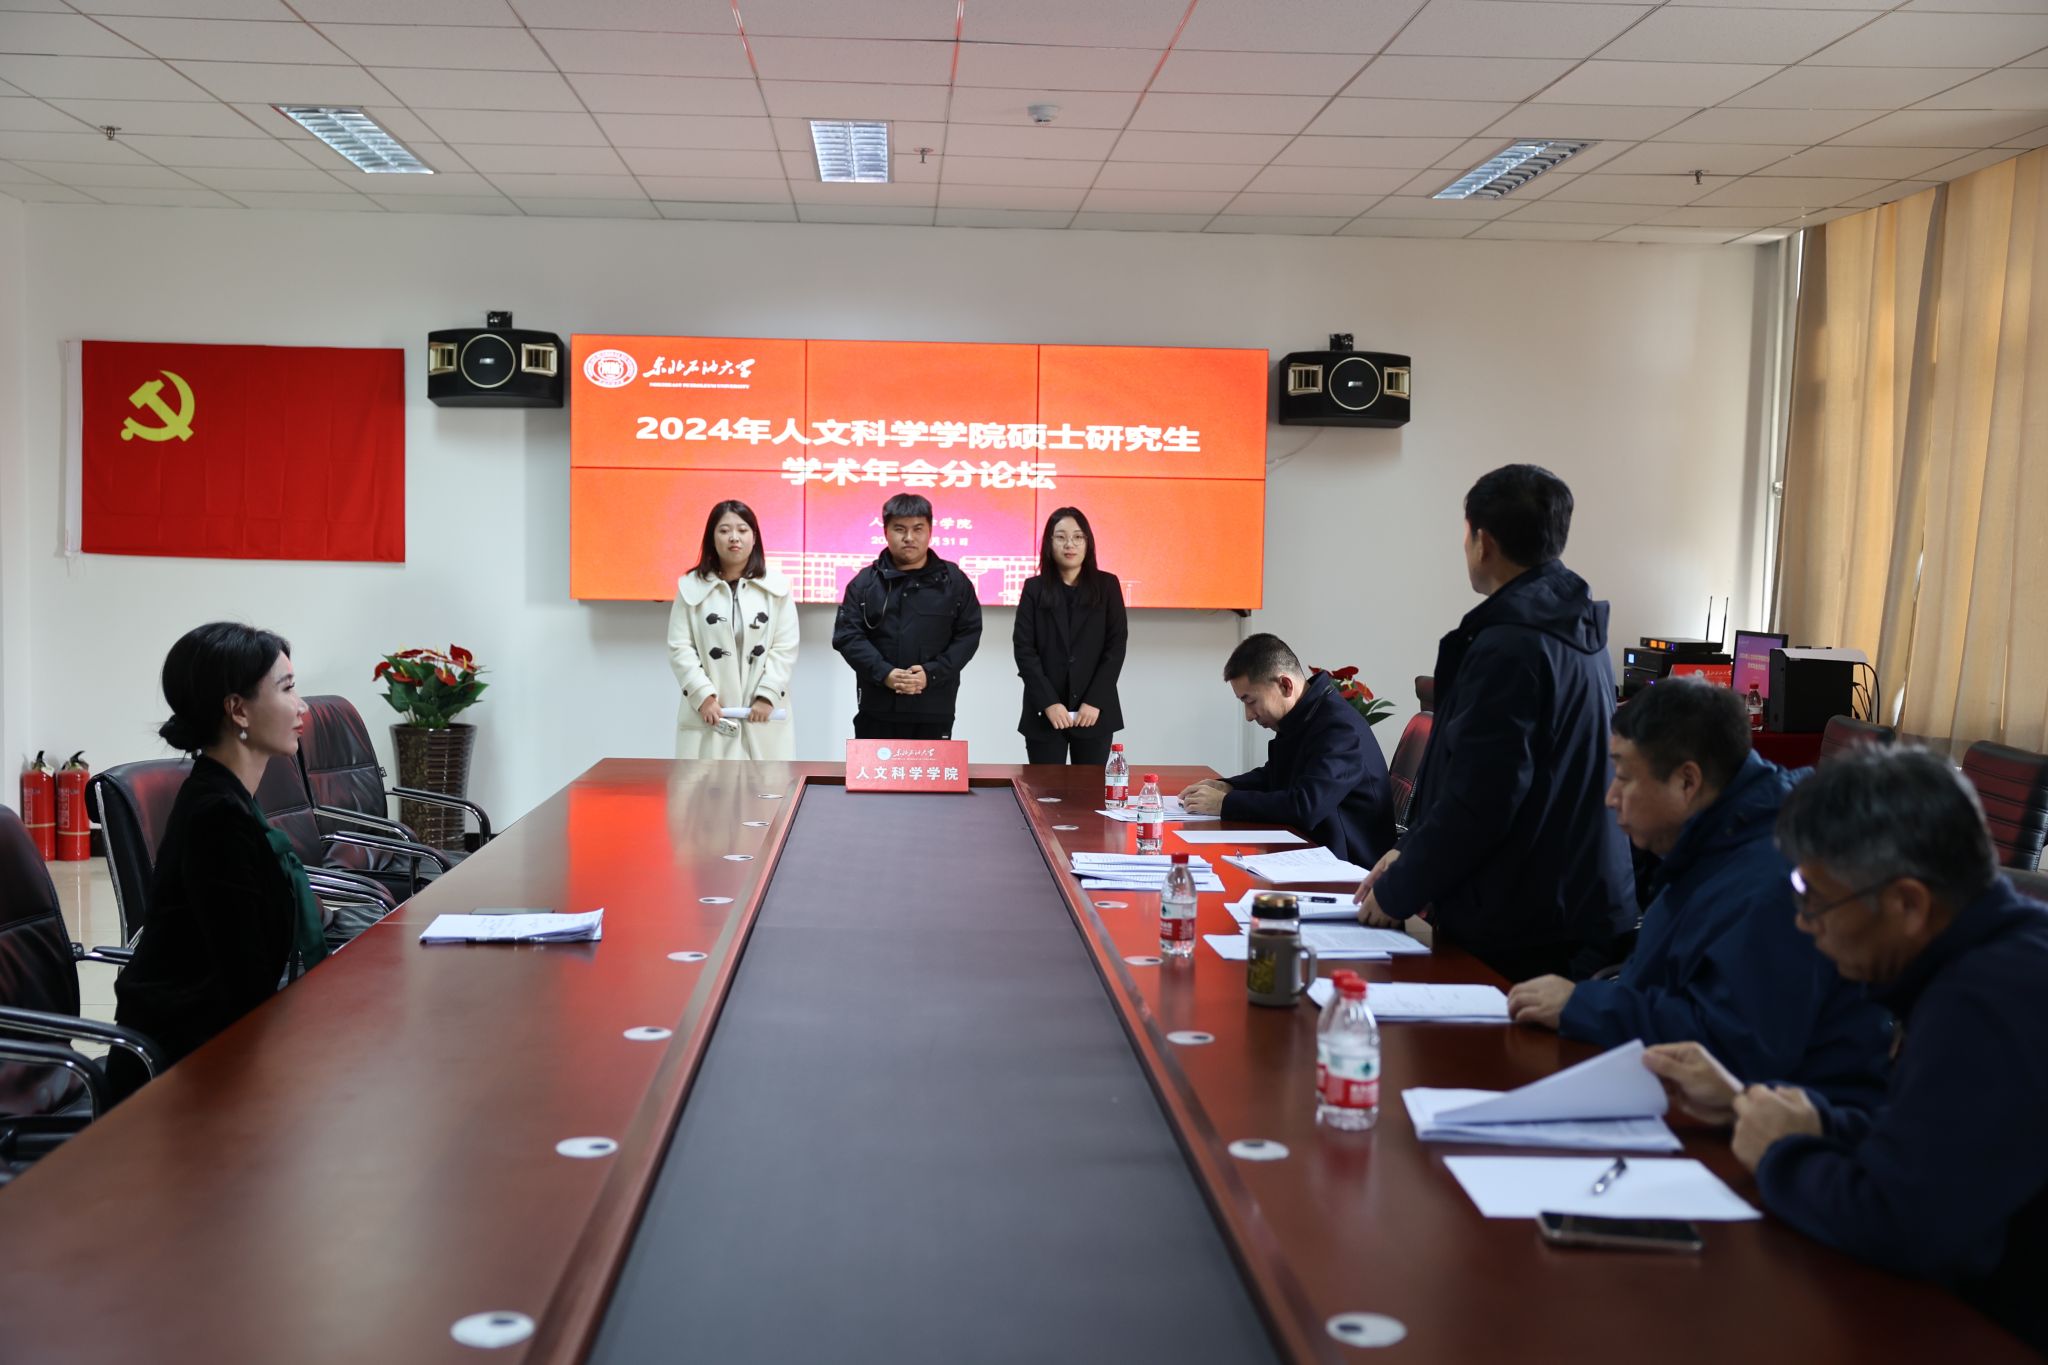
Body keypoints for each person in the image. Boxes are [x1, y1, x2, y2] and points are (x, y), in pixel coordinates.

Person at [1644, 748, 2048, 1354]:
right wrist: (1777, 1114)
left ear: (1908, 904)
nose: (1804, 924)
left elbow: (1904, 1224)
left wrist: (1780, 1153)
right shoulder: (1996, 956)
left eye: (1817, 901)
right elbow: (1936, 1144)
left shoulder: (1986, 1001)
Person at [1506, 678, 1891, 1107]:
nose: (1611, 797)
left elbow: (1734, 1047)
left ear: (1687, 782)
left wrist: (1584, 1006)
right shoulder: (1710, 842)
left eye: (1625, 777)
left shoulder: (1774, 881)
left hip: (1785, 1122)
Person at [1355, 464, 1635, 981]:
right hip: (1571, 900)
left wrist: (1399, 891)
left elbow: (1484, 796)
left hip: (1527, 919)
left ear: (1482, 542)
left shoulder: (1513, 644)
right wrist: (1407, 852)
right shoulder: (1574, 627)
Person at [108, 623, 326, 1103]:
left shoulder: (229, 796)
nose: (302, 707)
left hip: (222, 1048)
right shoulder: (217, 817)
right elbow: (244, 983)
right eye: (287, 689)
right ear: (238, 709)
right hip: (182, 1074)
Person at [1180, 634, 1395, 867]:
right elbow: (1276, 774)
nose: (1249, 716)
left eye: (1250, 701)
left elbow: (1306, 806)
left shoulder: (1340, 728)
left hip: (1350, 869)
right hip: (1313, 852)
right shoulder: (1306, 715)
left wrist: (1225, 804)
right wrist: (1229, 786)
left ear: (1285, 685)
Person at [831, 492, 983, 740]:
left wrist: (931, 673)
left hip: (934, 707)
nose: (909, 537)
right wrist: (884, 673)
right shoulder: (864, 583)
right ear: (886, 532)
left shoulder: (954, 582)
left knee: (932, 767)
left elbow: (968, 635)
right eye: (900, 529)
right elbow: (848, 636)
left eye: (918, 529)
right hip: (877, 708)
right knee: (875, 768)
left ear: (930, 531)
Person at [668, 500, 799, 761]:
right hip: (710, 713)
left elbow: (785, 648)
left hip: (761, 713)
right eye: (724, 530)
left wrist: (768, 695)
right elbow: (680, 648)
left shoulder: (777, 587)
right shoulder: (690, 587)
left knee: (767, 785)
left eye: (742, 530)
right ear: (712, 538)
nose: (734, 538)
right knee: (705, 785)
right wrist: (703, 697)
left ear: (754, 537)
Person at [1013, 507, 1128, 765]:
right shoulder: (1034, 589)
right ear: (1049, 542)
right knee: (1044, 788)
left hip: (1094, 713)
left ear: (1088, 542)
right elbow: (1024, 650)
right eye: (1061, 537)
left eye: (1077, 537)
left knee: (1089, 789)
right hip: (1045, 715)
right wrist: (1049, 703)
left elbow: (1115, 647)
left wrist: (1094, 701)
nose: (1069, 544)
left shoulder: (1107, 586)